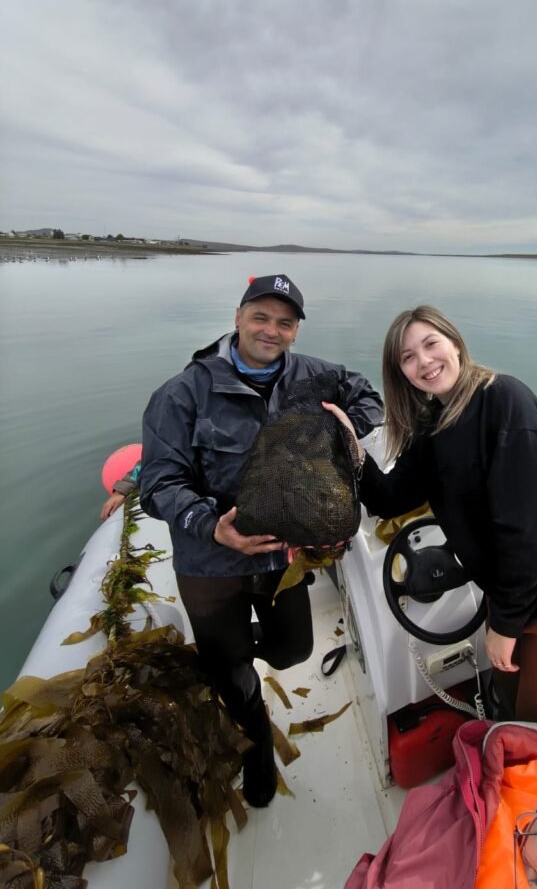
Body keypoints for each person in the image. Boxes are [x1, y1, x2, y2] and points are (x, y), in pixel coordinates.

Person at [139, 274, 384, 807]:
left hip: (280, 555)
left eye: (285, 322)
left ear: (295, 331)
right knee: (233, 674)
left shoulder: (316, 376)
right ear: (238, 318)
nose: (271, 331)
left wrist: (342, 426)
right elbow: (156, 485)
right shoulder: (183, 393)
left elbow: (371, 399)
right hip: (210, 561)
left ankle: (224, 651)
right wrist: (211, 525)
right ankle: (255, 748)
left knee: (294, 650)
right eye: (261, 317)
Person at [324, 305, 537, 725]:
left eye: (431, 344)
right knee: (507, 708)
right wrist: (352, 446)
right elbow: (389, 498)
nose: (424, 361)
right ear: (401, 372)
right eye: (408, 357)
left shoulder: (505, 401)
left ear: (456, 345)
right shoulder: (432, 426)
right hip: (511, 596)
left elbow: (533, 531)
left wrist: (506, 625)